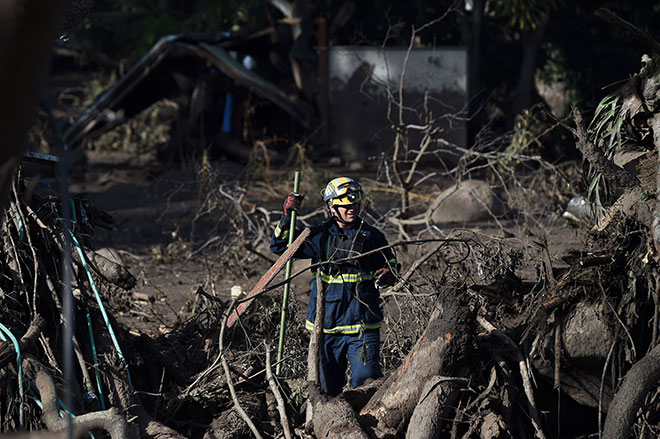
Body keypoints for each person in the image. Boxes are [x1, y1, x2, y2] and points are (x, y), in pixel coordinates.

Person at [270, 177, 399, 396]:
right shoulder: (318, 236)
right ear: (332, 207)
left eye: (355, 205)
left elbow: (393, 267)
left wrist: (388, 274)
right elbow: (280, 247)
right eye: (346, 206)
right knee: (326, 390)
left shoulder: (373, 236)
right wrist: (286, 216)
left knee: (367, 383)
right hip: (325, 328)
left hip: (362, 327)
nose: (351, 209)